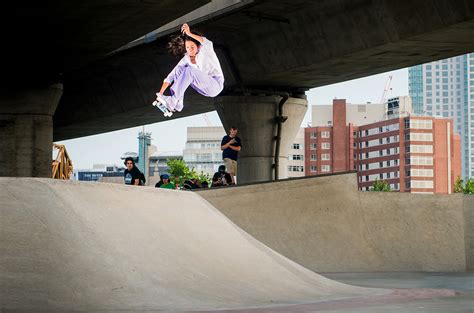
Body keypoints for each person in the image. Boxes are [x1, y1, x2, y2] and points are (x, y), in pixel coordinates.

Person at [155, 23, 224, 113]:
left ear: (198, 47)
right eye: (187, 47)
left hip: (215, 85)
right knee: (179, 69)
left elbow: (205, 41)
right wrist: (160, 94)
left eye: (192, 47)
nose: (190, 50)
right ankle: (179, 103)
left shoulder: (206, 50)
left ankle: (173, 100)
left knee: (189, 70)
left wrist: (189, 33)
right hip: (203, 88)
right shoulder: (186, 59)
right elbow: (170, 76)